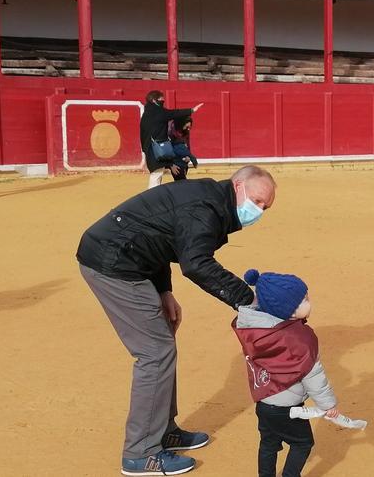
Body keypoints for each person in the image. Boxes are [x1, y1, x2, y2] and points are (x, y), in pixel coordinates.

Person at [77, 165, 276, 476]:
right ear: (238, 187)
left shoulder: (212, 200)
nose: (260, 211)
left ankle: (163, 431)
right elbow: (195, 263)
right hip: (112, 263)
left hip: (129, 258)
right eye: (258, 201)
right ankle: (140, 452)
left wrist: (164, 291)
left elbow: (159, 237)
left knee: (162, 341)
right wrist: (247, 301)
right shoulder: (206, 208)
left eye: (266, 206)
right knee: (154, 352)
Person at [233, 269, 343, 477]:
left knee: (268, 444)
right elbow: (313, 375)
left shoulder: (259, 331)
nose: (309, 302)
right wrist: (328, 405)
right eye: (304, 300)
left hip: (264, 403)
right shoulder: (298, 340)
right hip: (288, 407)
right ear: (289, 311)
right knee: (303, 443)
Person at [141, 90, 203, 189]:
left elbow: (142, 135)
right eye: (161, 100)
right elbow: (174, 113)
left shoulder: (145, 115)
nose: (163, 102)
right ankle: (151, 200)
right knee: (156, 176)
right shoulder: (159, 112)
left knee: (156, 174)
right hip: (158, 150)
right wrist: (191, 110)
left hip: (150, 149)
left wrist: (145, 153)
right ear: (154, 100)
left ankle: (153, 198)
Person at [167, 116, 198, 182]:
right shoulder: (170, 131)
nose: (188, 129)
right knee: (182, 183)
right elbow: (166, 149)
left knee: (181, 183)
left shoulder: (185, 131)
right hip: (175, 162)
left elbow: (187, 145)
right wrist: (171, 165)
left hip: (183, 161)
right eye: (187, 127)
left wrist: (188, 156)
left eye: (189, 127)